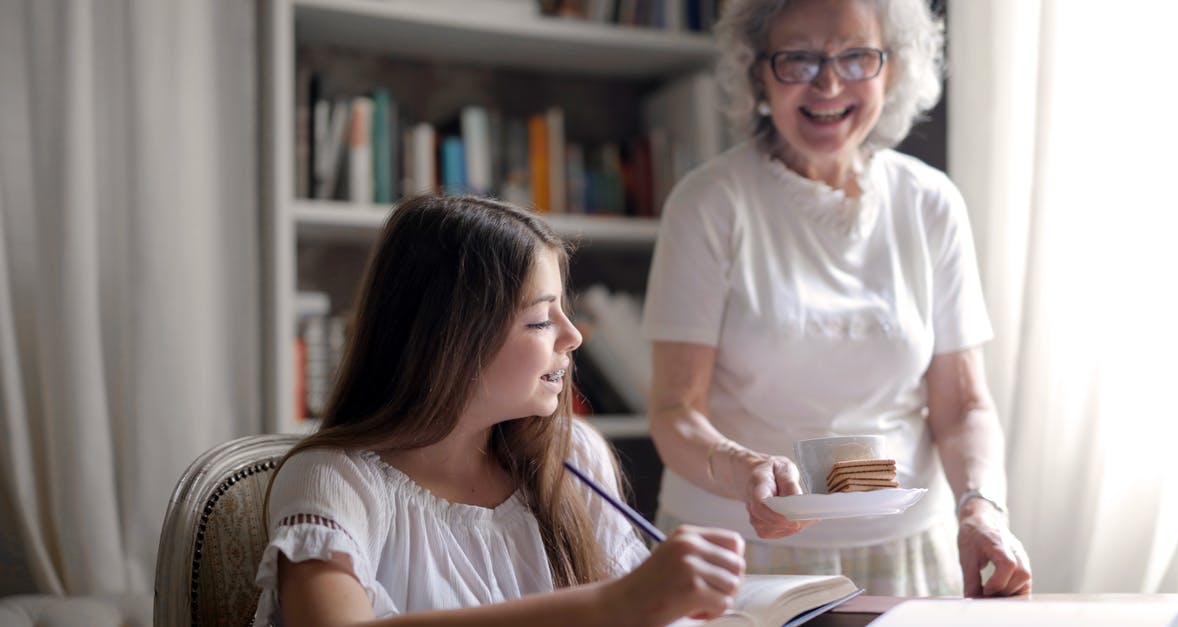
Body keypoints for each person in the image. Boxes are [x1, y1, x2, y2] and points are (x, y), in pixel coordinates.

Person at [642, 0, 1032, 597]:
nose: (828, 83)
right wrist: (744, 470)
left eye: (856, 57)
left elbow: (962, 407)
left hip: (906, 548)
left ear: (892, 69)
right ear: (758, 73)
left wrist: (981, 509)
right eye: (797, 58)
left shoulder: (931, 203)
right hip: (735, 549)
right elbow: (674, 412)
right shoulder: (708, 203)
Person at [252, 195, 746, 627]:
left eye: (563, 312)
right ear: (450, 340)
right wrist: (613, 605)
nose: (573, 337)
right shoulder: (334, 482)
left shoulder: (573, 457)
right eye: (538, 320)